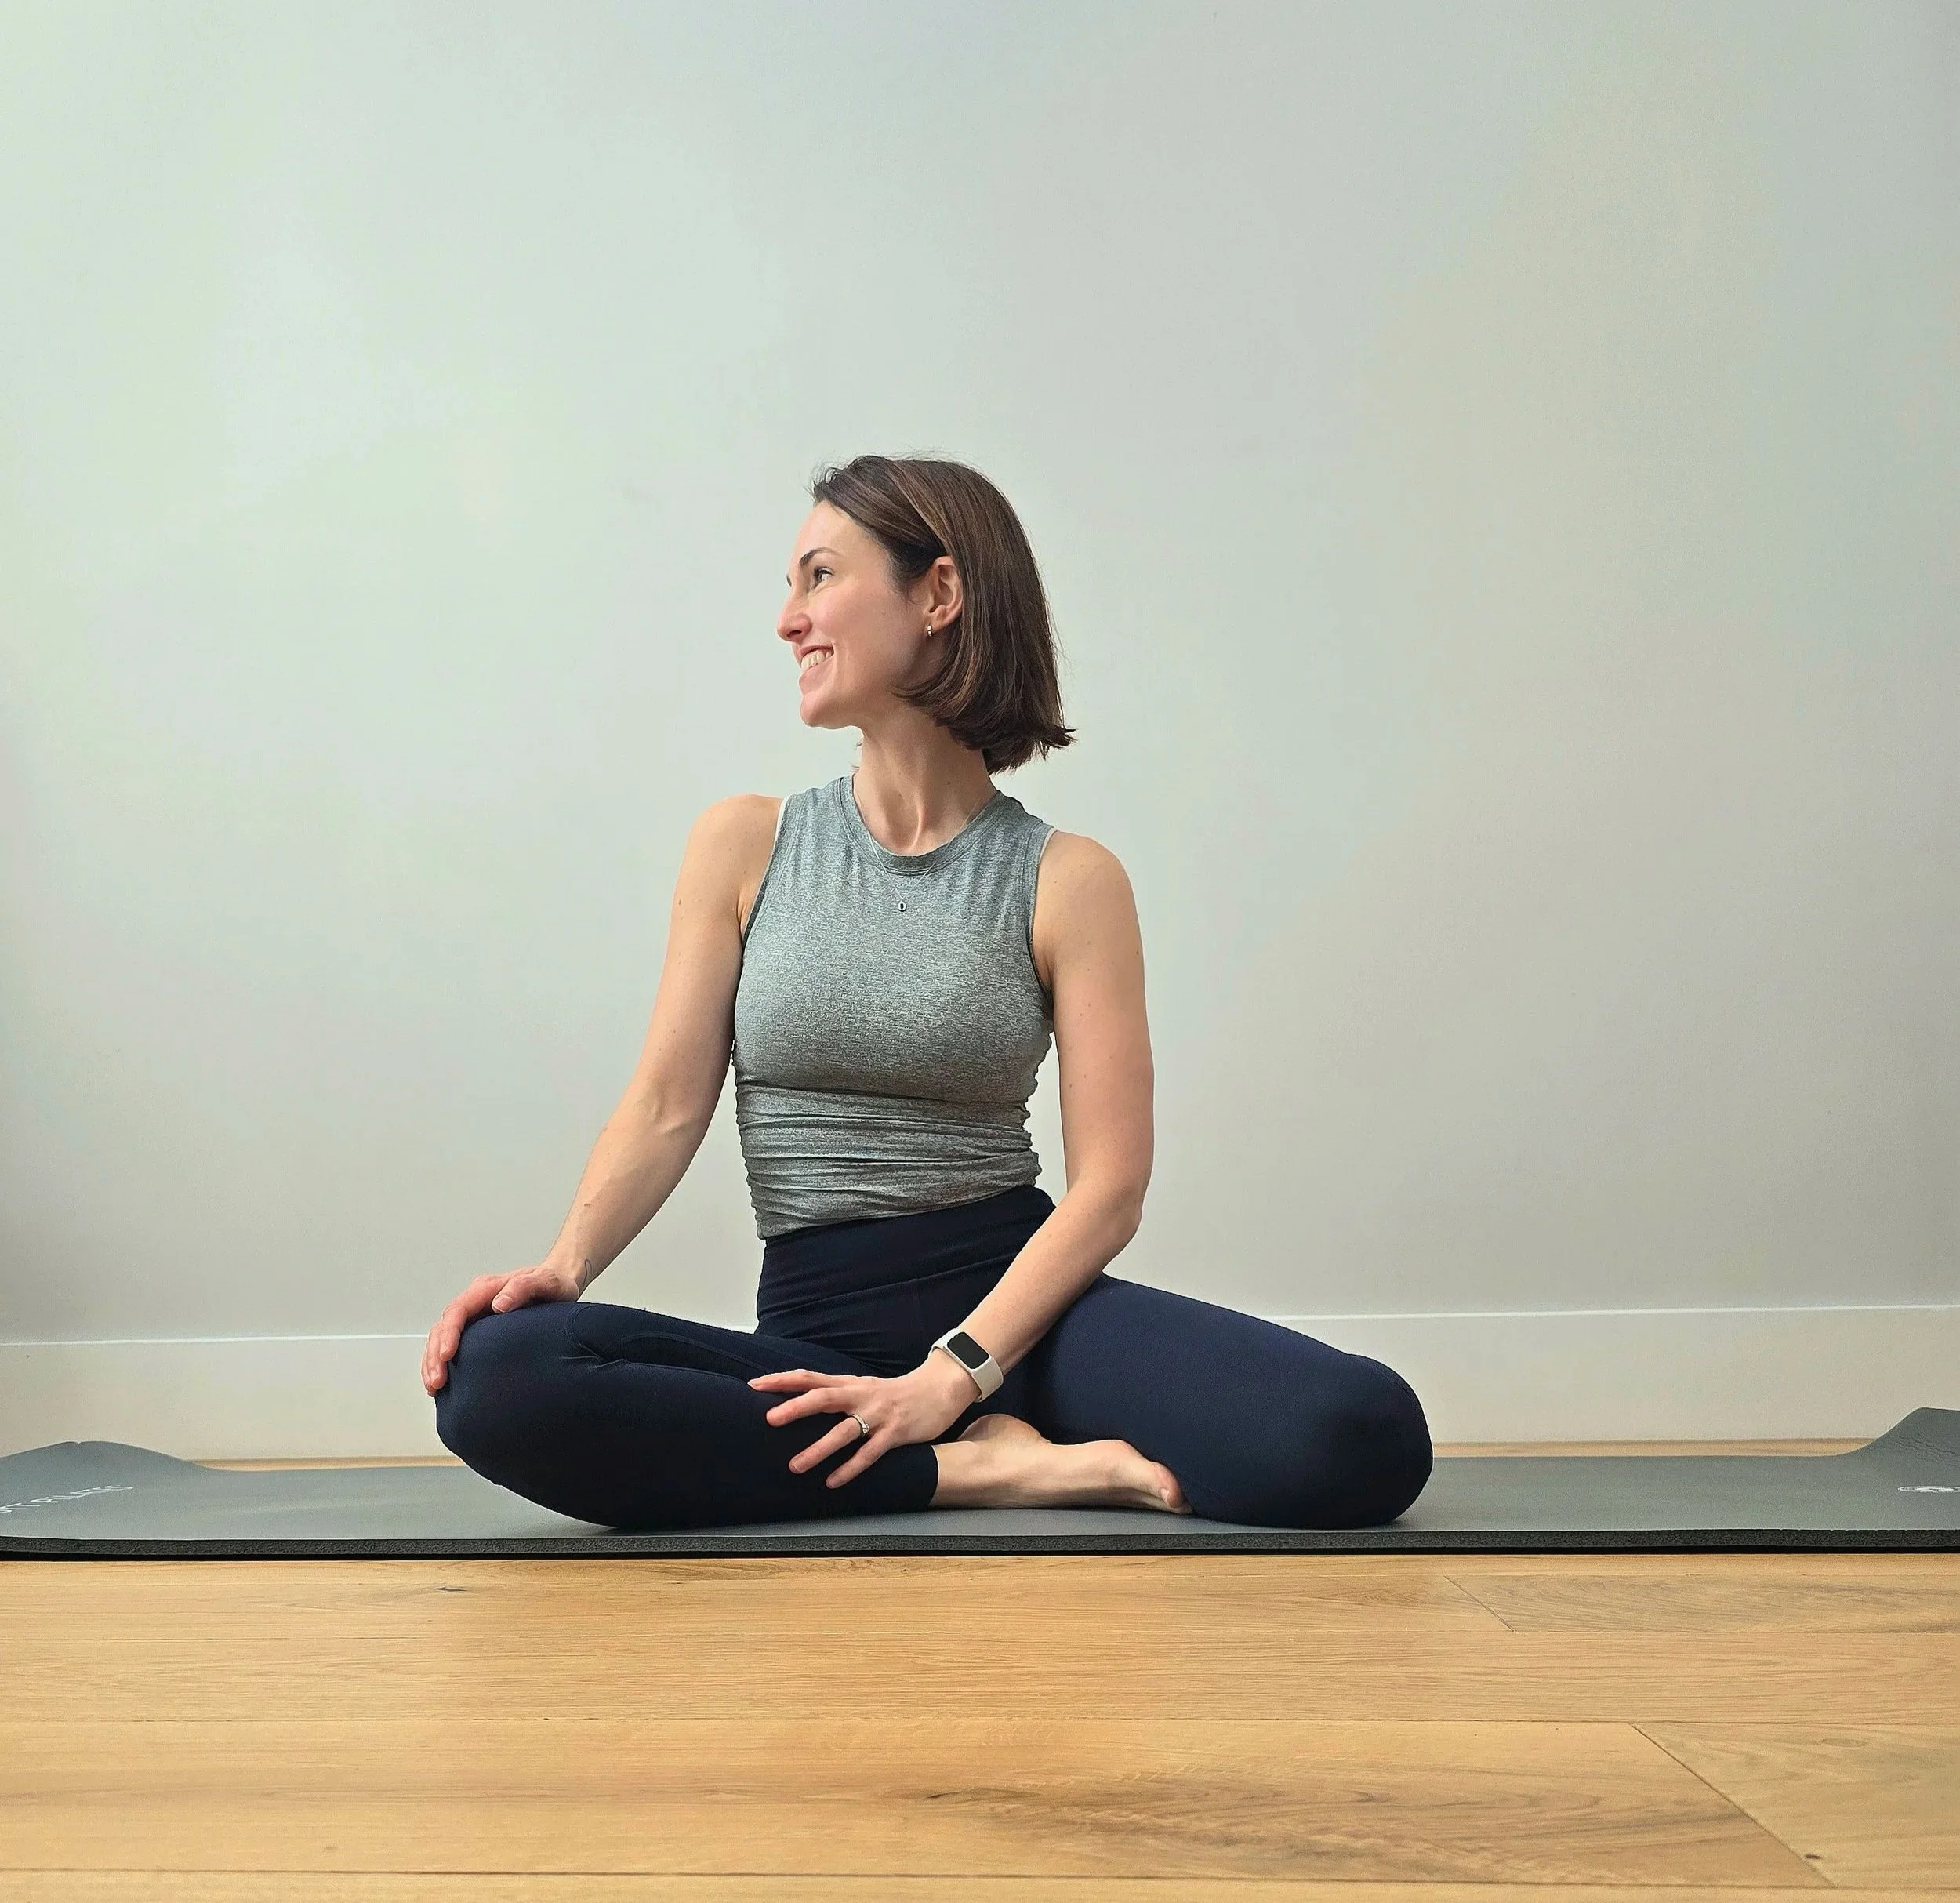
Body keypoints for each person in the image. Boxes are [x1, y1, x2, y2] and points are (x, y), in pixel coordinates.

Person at [423, 454, 1433, 1532]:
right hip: (817, 1332)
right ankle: (982, 1471)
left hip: (1023, 1322)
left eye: (820, 576)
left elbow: (1110, 1187)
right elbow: (667, 1106)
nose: (787, 620)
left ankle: (938, 1437)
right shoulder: (744, 845)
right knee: (501, 1375)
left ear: (938, 593)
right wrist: (565, 1266)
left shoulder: (1067, 879)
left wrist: (953, 1376)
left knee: (1361, 1432)